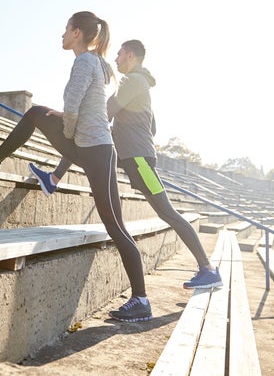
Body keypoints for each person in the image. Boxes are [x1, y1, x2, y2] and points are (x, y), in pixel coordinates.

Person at [0, 12, 152, 322]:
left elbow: (73, 106)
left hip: (96, 151)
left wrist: (65, 132)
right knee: (37, 113)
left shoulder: (85, 62)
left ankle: (141, 299)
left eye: (65, 30)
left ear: (77, 33)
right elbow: (79, 107)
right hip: (92, 148)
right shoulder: (96, 62)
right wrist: (67, 131)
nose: (61, 35)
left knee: (115, 226)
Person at [28, 40, 223, 290]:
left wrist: (72, 116)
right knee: (89, 144)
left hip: (139, 160)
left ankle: (207, 268)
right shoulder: (138, 84)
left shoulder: (132, 81)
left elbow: (105, 111)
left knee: (166, 211)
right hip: (129, 154)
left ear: (130, 55)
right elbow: (151, 126)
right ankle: (53, 179)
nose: (116, 59)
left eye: (119, 54)